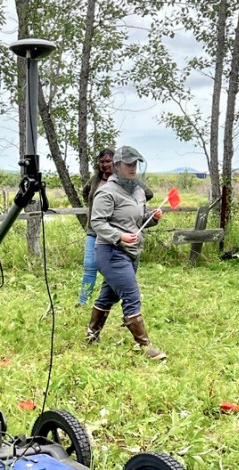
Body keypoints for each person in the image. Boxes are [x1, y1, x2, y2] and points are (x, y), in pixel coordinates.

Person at [85, 145, 167, 360]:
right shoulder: (106, 192)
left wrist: (152, 218)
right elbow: (97, 222)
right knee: (131, 295)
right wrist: (119, 236)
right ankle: (145, 346)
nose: (132, 168)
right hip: (110, 251)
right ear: (117, 166)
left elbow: (136, 221)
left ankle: (92, 334)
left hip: (132, 252)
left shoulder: (138, 190)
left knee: (109, 295)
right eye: (128, 164)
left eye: (135, 164)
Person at [77, 148, 113, 306]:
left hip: (113, 231)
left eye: (108, 161)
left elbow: (147, 193)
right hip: (93, 229)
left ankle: (107, 301)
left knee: (111, 268)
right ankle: (83, 301)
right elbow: (85, 192)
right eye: (102, 161)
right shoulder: (95, 179)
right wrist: (93, 207)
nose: (105, 164)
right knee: (89, 266)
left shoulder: (122, 180)